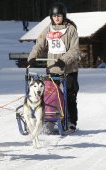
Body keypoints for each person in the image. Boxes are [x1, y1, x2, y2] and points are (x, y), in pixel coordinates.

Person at [27, 2, 80, 131]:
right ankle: (50, 119)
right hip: (53, 69)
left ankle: (71, 121)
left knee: (69, 96)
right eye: (54, 15)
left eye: (59, 15)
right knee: (51, 95)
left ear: (64, 16)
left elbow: (75, 50)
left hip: (68, 69)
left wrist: (64, 60)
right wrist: (31, 58)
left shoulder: (71, 29)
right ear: (51, 17)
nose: (57, 18)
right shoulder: (48, 29)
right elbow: (39, 45)